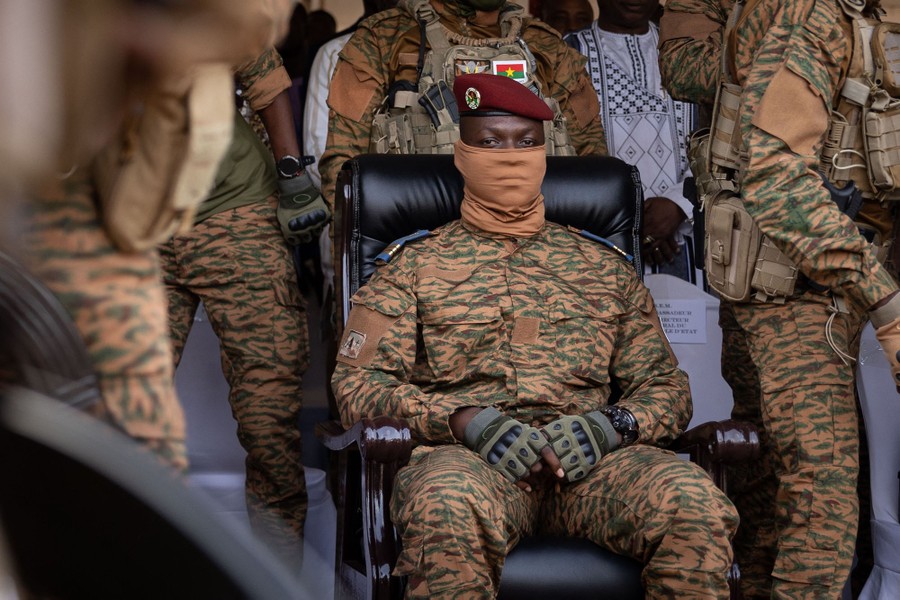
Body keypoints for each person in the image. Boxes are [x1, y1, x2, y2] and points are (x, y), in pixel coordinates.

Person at [331, 72, 738, 599]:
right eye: (490, 142)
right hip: (471, 467)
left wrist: (613, 424)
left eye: (526, 143)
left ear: (545, 154)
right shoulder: (411, 267)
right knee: (443, 503)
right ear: (462, 154)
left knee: (694, 504)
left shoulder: (603, 267)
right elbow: (356, 387)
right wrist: (461, 420)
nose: (510, 156)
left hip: (594, 470)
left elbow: (667, 388)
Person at [658, 0, 900, 597]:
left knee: (770, 476)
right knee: (820, 486)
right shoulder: (815, 16)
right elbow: (776, 177)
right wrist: (886, 304)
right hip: (793, 278)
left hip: (870, 261)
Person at [157, 46, 328, 568]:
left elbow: (265, 78)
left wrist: (293, 175)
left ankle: (275, 578)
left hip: (235, 214)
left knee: (266, 419)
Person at [318, 0, 607, 213]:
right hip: (421, 252)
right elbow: (342, 170)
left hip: (537, 245)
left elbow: (594, 164)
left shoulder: (546, 46)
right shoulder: (382, 38)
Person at [567, 0, 699, 284]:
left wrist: (678, 204)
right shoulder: (566, 55)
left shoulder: (688, 54)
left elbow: (718, 141)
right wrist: (630, 218)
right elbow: (559, 157)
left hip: (687, 243)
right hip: (602, 246)